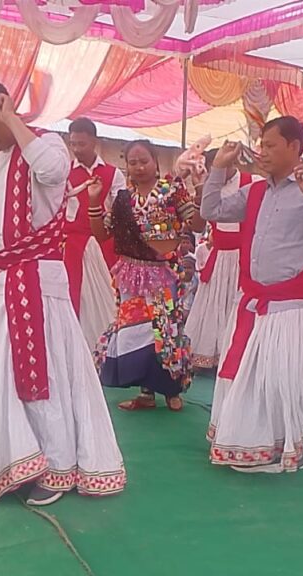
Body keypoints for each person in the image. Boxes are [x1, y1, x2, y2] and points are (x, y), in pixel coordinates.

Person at [0, 78, 125, 507]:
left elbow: (53, 173)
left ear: (6, 109)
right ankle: (16, 461)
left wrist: (13, 121)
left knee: (44, 375)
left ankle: (58, 467)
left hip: (37, 281)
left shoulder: (46, 144)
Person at [204, 116, 303, 474]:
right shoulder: (254, 192)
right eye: (261, 145)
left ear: (294, 147)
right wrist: (218, 170)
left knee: (280, 383)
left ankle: (292, 439)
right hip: (251, 302)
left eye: (271, 145)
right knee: (246, 379)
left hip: (290, 306)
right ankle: (251, 444)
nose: (262, 152)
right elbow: (210, 211)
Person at [91, 139, 202, 412]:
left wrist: (200, 189)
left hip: (163, 275)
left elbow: (198, 224)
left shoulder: (172, 191)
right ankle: (146, 393)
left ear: (156, 162)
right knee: (137, 333)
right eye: (133, 163)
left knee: (166, 331)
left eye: (144, 161)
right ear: (127, 167)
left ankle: (172, 390)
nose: (139, 167)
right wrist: (94, 200)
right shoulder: (123, 199)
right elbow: (102, 234)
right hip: (130, 276)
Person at [185, 148, 253, 369]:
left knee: (238, 305)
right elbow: (198, 226)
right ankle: (209, 355)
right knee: (213, 304)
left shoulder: (252, 182)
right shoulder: (208, 187)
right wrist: (199, 190)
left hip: (244, 258)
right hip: (219, 258)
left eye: (224, 164)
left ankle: (236, 356)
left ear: (233, 162)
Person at [64, 117, 118, 350]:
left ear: (94, 142)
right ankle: (74, 348)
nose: (77, 149)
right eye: (73, 144)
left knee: (105, 299)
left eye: (82, 144)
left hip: (102, 245)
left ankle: (104, 348)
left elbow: (119, 210)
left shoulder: (113, 174)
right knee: (72, 298)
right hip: (69, 248)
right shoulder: (64, 172)